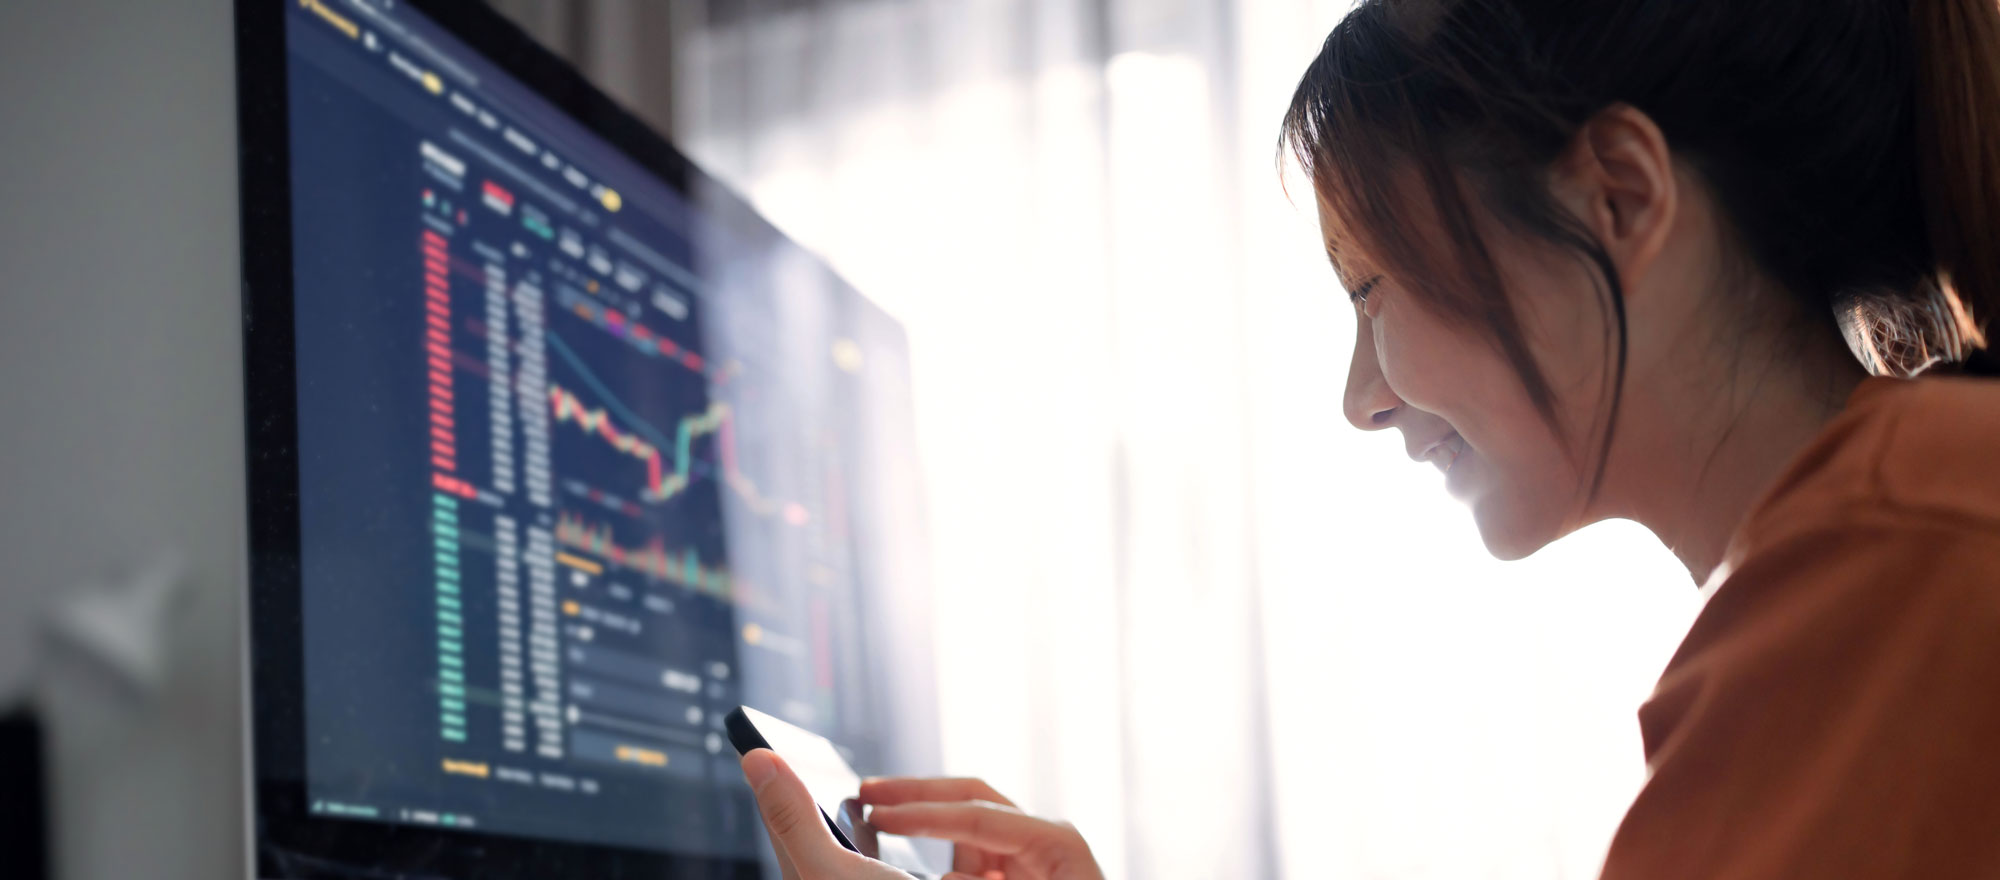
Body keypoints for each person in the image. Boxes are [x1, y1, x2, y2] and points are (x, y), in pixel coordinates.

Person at [736, 0, 2000, 876]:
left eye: (1371, 290)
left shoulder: (1893, 560)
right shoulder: (1886, 538)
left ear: (1618, 196)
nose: (1362, 398)